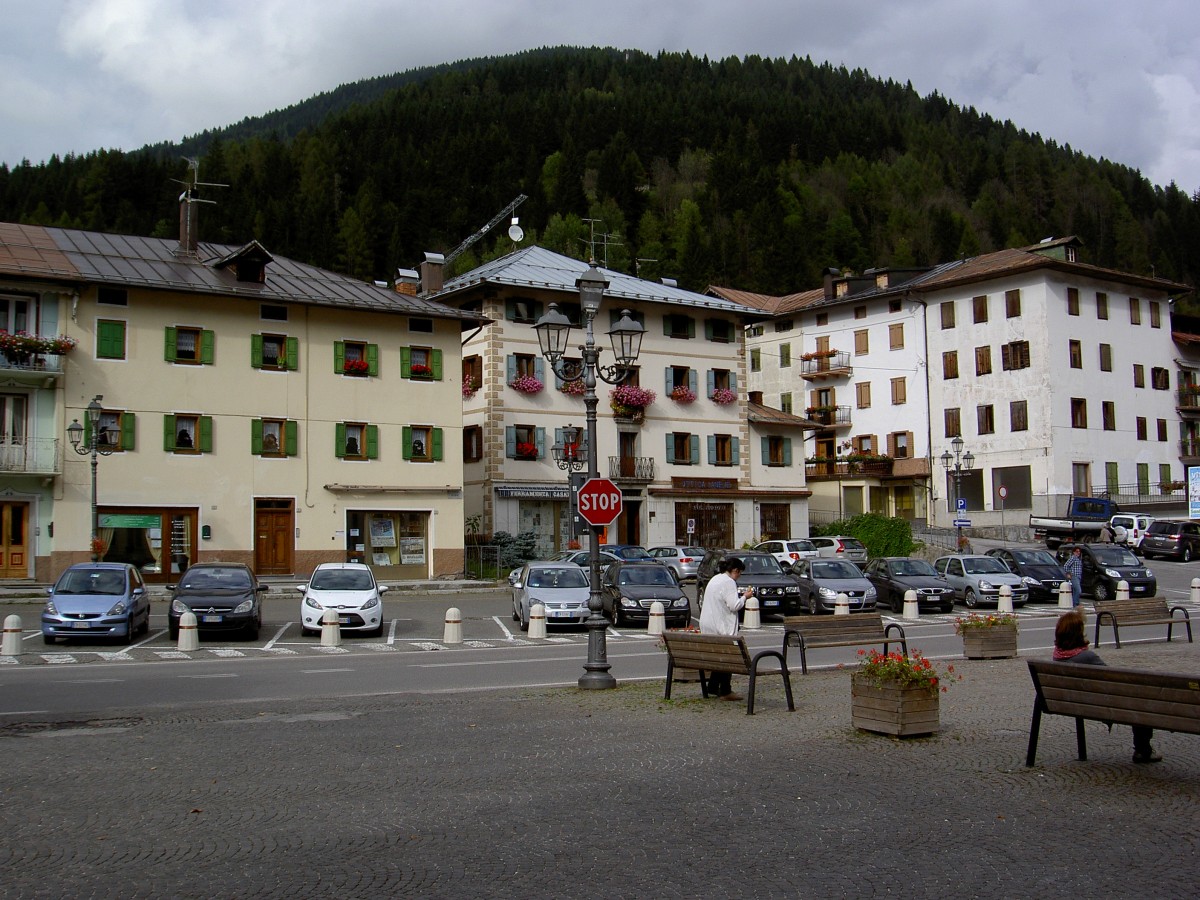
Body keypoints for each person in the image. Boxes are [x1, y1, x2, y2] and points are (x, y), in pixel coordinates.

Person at [1053, 608, 1160, 763]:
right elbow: (1113, 679)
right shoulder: (1086, 657)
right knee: (1139, 702)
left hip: (1074, 703)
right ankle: (1143, 750)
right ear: (1078, 634)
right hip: (1100, 705)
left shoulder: (1057, 656)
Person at [699, 556, 750, 701]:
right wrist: (745, 597)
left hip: (707, 625)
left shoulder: (715, 579)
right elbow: (734, 605)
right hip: (721, 626)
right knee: (729, 657)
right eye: (739, 573)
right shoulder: (729, 582)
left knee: (718, 657)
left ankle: (713, 686)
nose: (739, 576)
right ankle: (726, 691)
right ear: (735, 570)